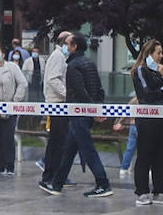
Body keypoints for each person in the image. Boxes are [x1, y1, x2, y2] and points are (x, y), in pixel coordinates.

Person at [41, 33, 113, 198]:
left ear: (74, 47)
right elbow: (99, 89)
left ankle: (103, 183)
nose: (65, 46)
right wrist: (98, 108)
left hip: (80, 113)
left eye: (67, 43)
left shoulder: (73, 66)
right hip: (84, 113)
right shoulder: (90, 63)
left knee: (88, 150)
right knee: (69, 149)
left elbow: (80, 92)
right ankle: (57, 184)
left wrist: (92, 110)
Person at [131, 40, 163, 205]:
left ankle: (159, 190)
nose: (161, 56)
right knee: (145, 155)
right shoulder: (141, 71)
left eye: (162, 53)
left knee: (160, 156)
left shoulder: (158, 72)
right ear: (149, 54)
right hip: (147, 119)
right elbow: (147, 94)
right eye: (158, 53)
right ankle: (142, 191)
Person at [38, 31, 73, 187]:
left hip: (59, 104)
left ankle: (57, 175)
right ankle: (50, 175)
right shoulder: (58, 57)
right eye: (70, 43)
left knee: (60, 141)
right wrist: (67, 95)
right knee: (57, 142)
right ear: (63, 43)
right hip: (57, 103)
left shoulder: (61, 57)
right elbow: (53, 79)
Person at [0, 47, 27, 176]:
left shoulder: (11, 67)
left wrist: (16, 100)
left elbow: (23, 83)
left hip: (10, 108)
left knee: (8, 137)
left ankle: (10, 166)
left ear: (3, 54)